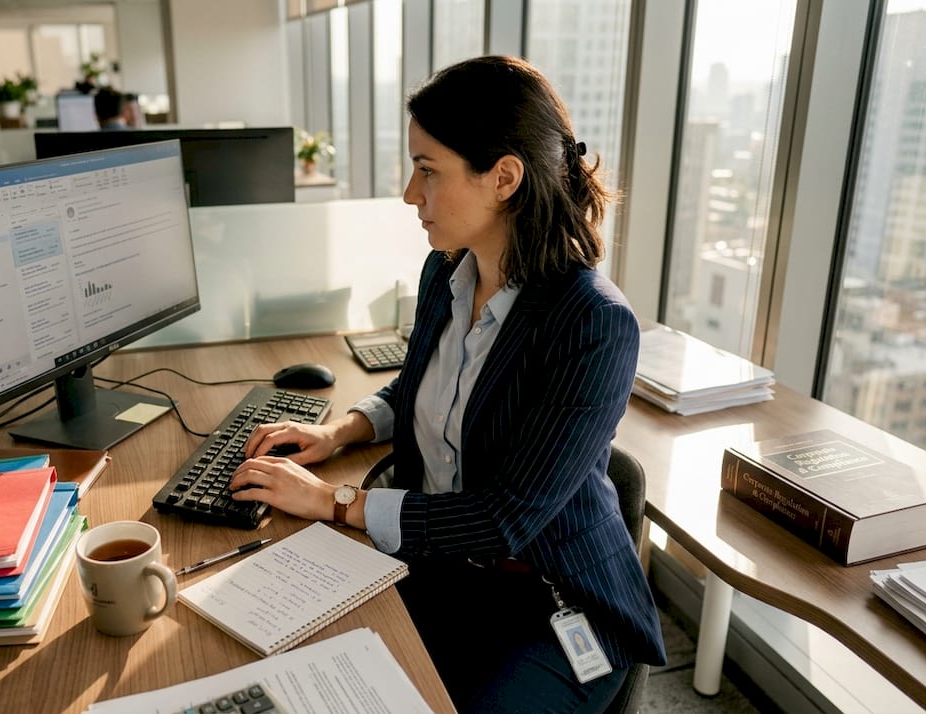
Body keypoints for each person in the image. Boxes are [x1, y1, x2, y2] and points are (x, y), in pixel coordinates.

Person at [229, 55, 666, 712]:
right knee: (295, 666)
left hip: (552, 602)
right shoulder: (447, 272)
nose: (411, 194)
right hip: (443, 570)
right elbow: (419, 387)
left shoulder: (593, 324)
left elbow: (504, 519)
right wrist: (338, 431)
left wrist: (334, 501)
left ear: (504, 179)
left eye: (428, 170)